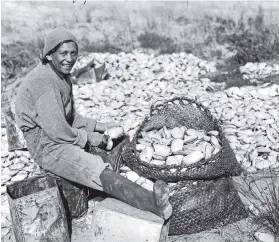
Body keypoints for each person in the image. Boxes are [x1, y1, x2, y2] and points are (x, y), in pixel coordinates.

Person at [15, 26, 172, 219]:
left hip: (56, 133)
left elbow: (71, 118)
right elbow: (58, 131)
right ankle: (152, 204)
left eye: (73, 53)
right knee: (90, 165)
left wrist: (102, 126)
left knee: (117, 142)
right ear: (49, 55)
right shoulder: (44, 82)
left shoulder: (62, 76)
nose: (70, 59)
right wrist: (92, 138)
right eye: (63, 53)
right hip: (45, 145)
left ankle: (135, 181)